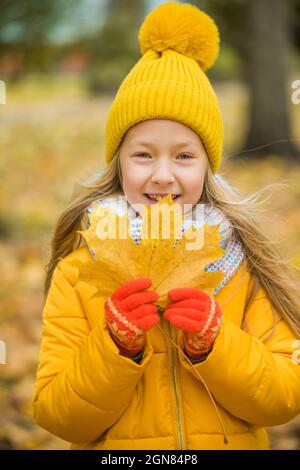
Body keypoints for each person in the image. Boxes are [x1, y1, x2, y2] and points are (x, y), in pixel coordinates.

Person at [32, 2, 300, 450]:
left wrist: (217, 345)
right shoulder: (80, 270)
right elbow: (58, 415)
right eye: (142, 154)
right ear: (117, 161)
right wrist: (115, 349)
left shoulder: (238, 265)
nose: (162, 175)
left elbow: (283, 398)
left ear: (207, 167)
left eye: (184, 155)